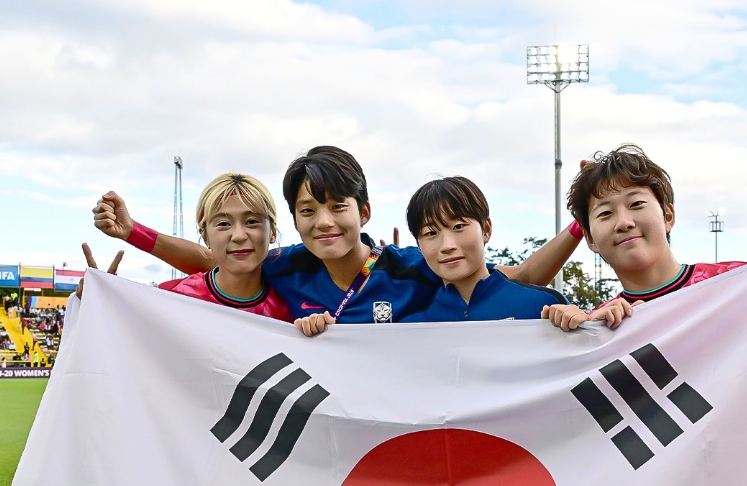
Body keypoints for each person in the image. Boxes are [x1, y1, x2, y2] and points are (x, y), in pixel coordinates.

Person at [93, 146, 582, 328]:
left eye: (337, 207)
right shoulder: (287, 268)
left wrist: (579, 223)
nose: (324, 222)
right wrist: (133, 232)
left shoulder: (411, 266)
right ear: (295, 220)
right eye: (308, 211)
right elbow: (214, 259)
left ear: (363, 211)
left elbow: (514, 279)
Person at [542, 144, 747, 331]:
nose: (624, 222)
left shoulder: (742, 281)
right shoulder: (599, 324)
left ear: (668, 216)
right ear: (590, 239)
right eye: (605, 213)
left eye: (637, 204)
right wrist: (583, 337)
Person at [88, 173, 292, 322]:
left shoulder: (295, 304)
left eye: (252, 221)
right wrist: (102, 303)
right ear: (205, 236)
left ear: (272, 231)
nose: (239, 235)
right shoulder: (173, 297)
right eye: (223, 224)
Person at [401, 176, 565, 321]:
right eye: (431, 233)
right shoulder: (413, 327)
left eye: (458, 226)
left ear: (486, 230)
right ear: (419, 245)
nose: (447, 246)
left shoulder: (545, 306)